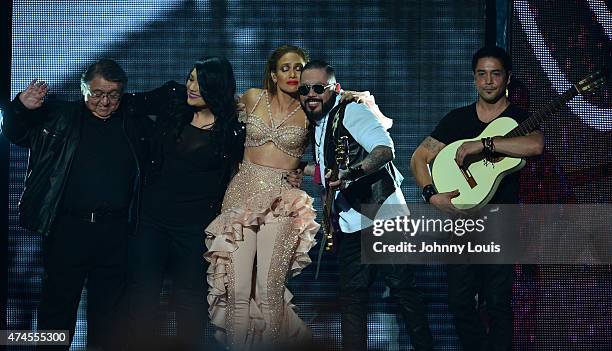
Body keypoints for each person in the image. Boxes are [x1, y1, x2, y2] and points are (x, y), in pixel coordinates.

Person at [1, 59, 151, 350]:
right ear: (83, 90)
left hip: (114, 233)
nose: (104, 101)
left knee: (108, 316)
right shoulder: (59, 116)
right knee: (55, 311)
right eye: (97, 93)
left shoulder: (135, 126)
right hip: (67, 230)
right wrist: (19, 107)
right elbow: (15, 133)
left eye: (112, 95)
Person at [410, 46, 544, 351]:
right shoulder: (457, 119)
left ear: (507, 78)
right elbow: (419, 158)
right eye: (481, 74)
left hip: (500, 220)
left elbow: (535, 146)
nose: (488, 81)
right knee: (458, 302)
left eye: (495, 74)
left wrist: (483, 144)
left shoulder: (519, 119)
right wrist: (432, 195)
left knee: (497, 302)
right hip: (459, 222)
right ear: (473, 79)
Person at [299, 60, 434, 351]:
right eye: (304, 89)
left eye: (318, 88)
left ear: (333, 89)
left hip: (383, 217)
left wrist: (350, 174)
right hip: (351, 223)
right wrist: (300, 169)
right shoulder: (318, 124)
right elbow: (330, 167)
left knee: (403, 292)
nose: (310, 94)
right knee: (352, 299)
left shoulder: (352, 112)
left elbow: (384, 151)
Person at [204, 45, 320, 349]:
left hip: (282, 200)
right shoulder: (254, 97)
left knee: (269, 291)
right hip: (241, 196)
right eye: (286, 68)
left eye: (299, 68)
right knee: (237, 292)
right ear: (273, 74)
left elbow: (327, 153)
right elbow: (218, 112)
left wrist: (303, 170)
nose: (293, 74)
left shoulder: (312, 108)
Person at [125, 57, 243, 351]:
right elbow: (128, 104)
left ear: (216, 87)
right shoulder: (172, 102)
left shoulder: (232, 130)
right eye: (189, 78)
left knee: (189, 301)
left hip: (194, 228)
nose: (191, 87)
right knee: (143, 296)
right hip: (152, 221)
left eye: (200, 82)